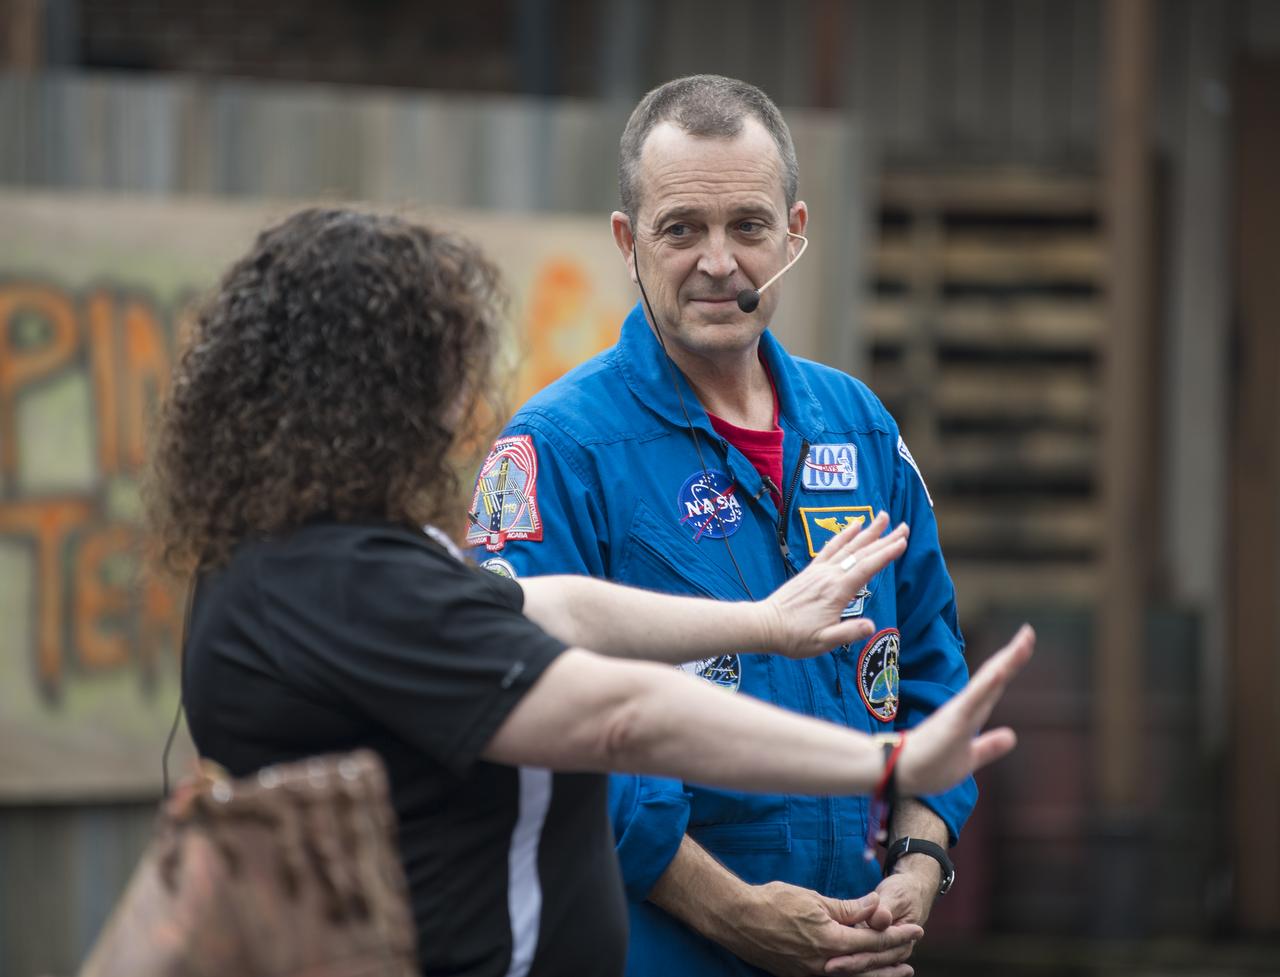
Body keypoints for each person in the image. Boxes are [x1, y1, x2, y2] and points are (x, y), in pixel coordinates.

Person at [147, 207, 1033, 977]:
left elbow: (554, 607)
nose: (463, 400)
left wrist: (761, 624)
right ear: (378, 399)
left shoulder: (331, 560)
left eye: (748, 226)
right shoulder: (338, 585)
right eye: (446, 366)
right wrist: (885, 765)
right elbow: (616, 718)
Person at [467, 75, 978, 977]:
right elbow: (536, 721)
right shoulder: (559, 451)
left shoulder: (858, 428)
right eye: (681, 230)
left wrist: (919, 862)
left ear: (795, 231)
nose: (718, 261)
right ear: (628, 243)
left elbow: (933, 660)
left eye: (747, 226)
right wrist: (737, 914)